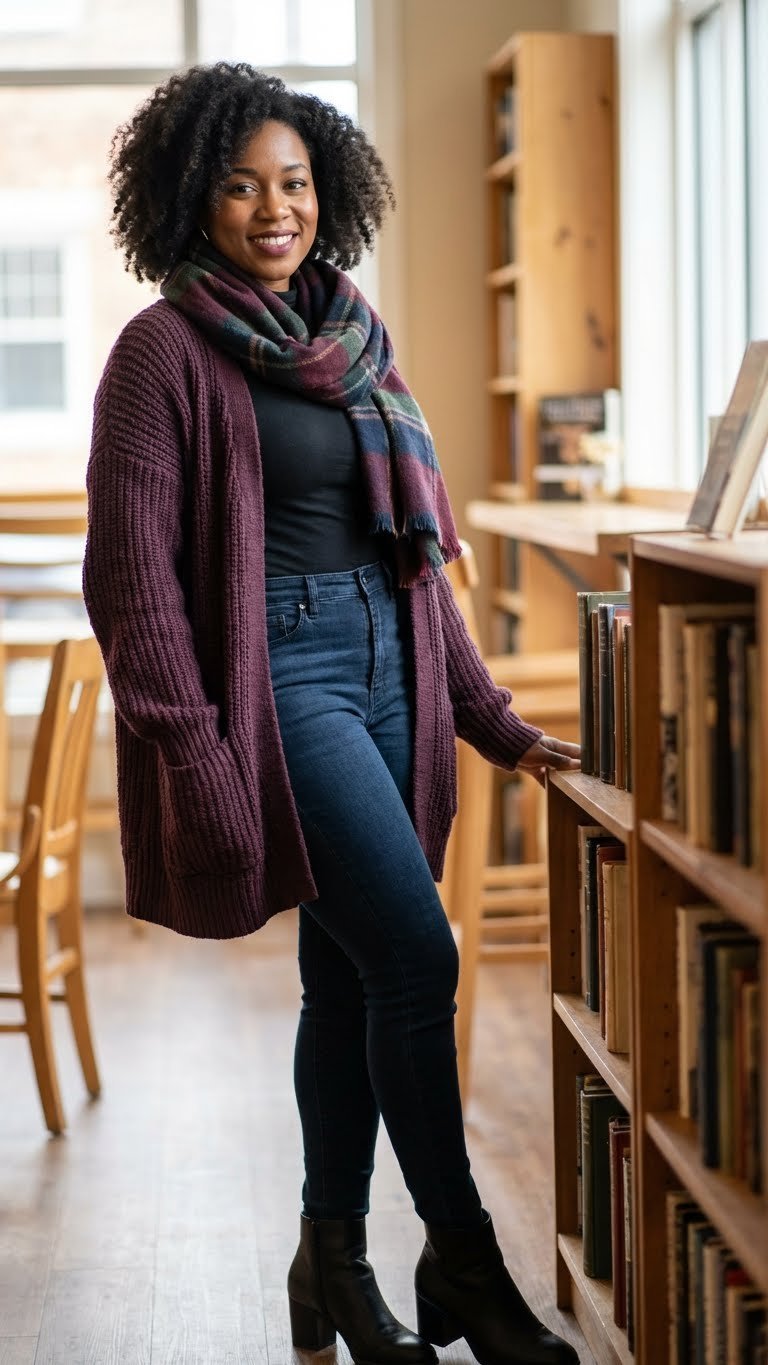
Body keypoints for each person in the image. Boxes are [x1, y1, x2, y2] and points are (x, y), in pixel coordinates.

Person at [83, 62, 581, 1365]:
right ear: (193, 197)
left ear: (329, 194)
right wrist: (197, 752)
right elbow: (134, 586)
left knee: (347, 981)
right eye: (243, 185)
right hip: (281, 676)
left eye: (294, 182)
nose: (273, 208)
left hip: (388, 664)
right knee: (417, 958)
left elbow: (414, 565)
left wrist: (493, 717)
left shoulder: (352, 331)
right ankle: (464, 1257)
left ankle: (331, 1265)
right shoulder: (163, 353)